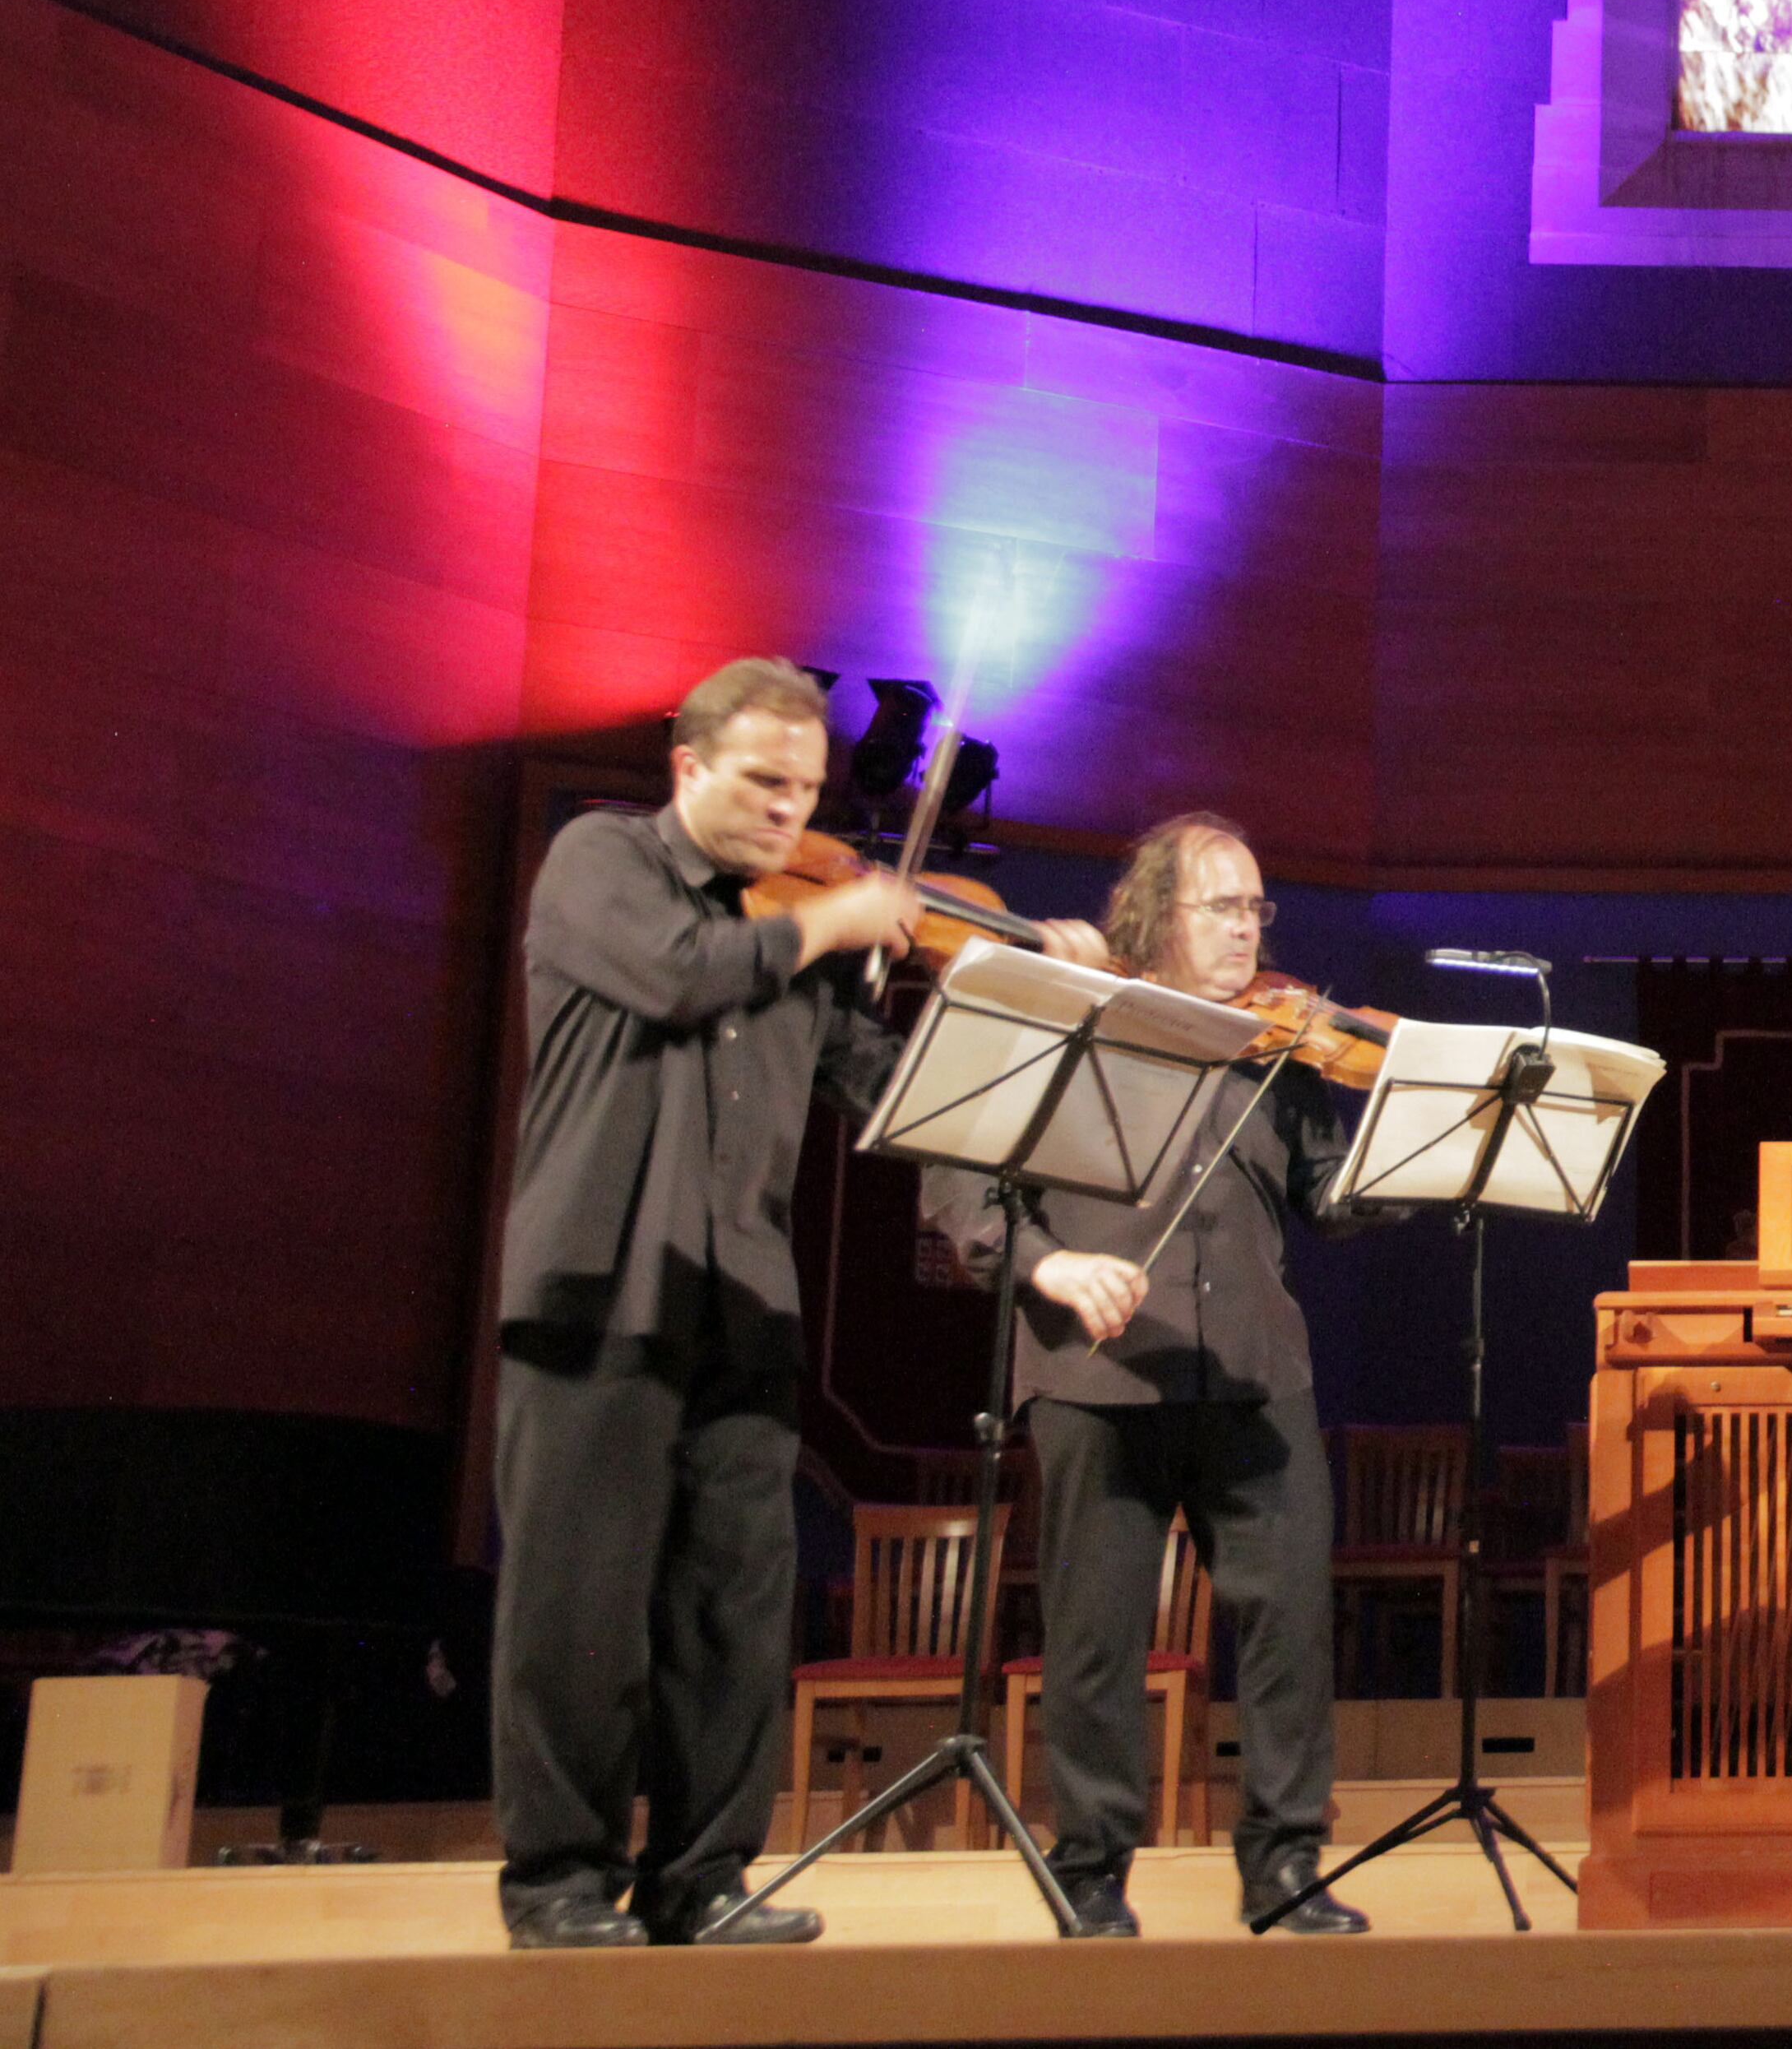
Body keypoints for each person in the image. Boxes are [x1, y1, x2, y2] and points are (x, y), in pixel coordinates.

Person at [489, 656, 1103, 1949]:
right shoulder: (603, 866)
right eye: (764, 784)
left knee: (732, 1612)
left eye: (806, 790)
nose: (788, 812)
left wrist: (1039, 1005)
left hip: (743, 1305)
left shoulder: (799, 938)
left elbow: (889, 1090)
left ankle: (700, 1880)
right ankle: (556, 1884)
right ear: (688, 768)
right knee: (578, 1612)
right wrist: (835, 919)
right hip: (597, 1291)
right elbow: (678, 973)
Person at [922, 813, 1372, 1938]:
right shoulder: (1069, 1020)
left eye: (1258, 907)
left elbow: (1327, 1197)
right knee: (1096, 1636)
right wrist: (1050, 1267)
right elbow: (960, 1193)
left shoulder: (1276, 1041)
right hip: (1099, 1373)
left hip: (1259, 1376)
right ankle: (1091, 1871)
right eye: (1224, 905)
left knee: (1287, 1631)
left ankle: (1285, 1867)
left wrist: (1416, 1149)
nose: (1248, 927)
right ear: (1154, 914)